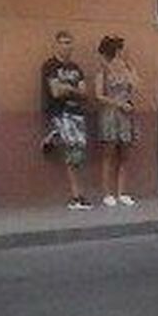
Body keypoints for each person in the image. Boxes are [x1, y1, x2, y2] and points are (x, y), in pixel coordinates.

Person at [41, 31, 92, 210]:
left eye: (69, 42)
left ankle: (53, 137)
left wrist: (67, 88)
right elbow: (55, 92)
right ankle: (76, 197)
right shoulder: (50, 65)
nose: (66, 46)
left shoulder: (76, 68)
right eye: (63, 42)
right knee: (72, 153)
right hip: (60, 112)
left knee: (79, 154)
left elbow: (85, 93)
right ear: (56, 45)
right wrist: (73, 89)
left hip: (77, 113)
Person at [92, 35, 139, 207]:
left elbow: (136, 86)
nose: (126, 52)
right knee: (109, 154)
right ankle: (107, 193)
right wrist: (119, 104)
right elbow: (98, 95)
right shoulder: (102, 70)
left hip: (126, 115)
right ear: (117, 51)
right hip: (111, 114)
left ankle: (122, 192)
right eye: (123, 49)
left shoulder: (128, 68)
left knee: (125, 154)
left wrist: (130, 69)